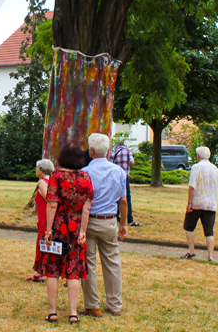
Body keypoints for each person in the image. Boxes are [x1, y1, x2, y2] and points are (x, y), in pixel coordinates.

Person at [37, 143, 93, 326]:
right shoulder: (86, 177)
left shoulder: (56, 176)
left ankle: (53, 312)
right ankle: (73, 313)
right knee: (73, 273)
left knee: (52, 271)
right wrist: (83, 232)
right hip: (76, 230)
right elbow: (86, 208)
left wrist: (48, 230)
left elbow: (52, 204)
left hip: (57, 229)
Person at [80, 133, 128, 318]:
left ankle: (92, 304)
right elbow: (123, 200)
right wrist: (123, 223)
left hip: (90, 221)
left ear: (91, 150)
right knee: (112, 262)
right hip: (109, 220)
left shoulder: (86, 172)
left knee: (88, 262)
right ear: (108, 150)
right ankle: (114, 304)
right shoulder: (118, 171)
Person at [182, 146, 218, 261]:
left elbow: (192, 186)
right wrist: (214, 198)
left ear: (199, 156)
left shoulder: (196, 168)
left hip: (197, 203)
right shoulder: (215, 169)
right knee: (209, 231)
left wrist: (189, 202)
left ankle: (191, 252)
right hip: (210, 205)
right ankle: (210, 256)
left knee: (189, 227)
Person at [26, 159, 55, 283]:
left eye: (37, 168)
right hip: (48, 216)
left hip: (45, 218)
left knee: (42, 243)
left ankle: (39, 273)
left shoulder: (42, 182)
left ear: (42, 170)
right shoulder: (53, 181)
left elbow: (49, 198)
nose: (36, 170)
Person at [110, 141, 141, 226]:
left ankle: (116, 216)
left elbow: (110, 164)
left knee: (115, 197)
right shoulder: (128, 151)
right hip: (125, 177)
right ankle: (129, 219)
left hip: (115, 178)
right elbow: (132, 162)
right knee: (127, 197)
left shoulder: (113, 152)